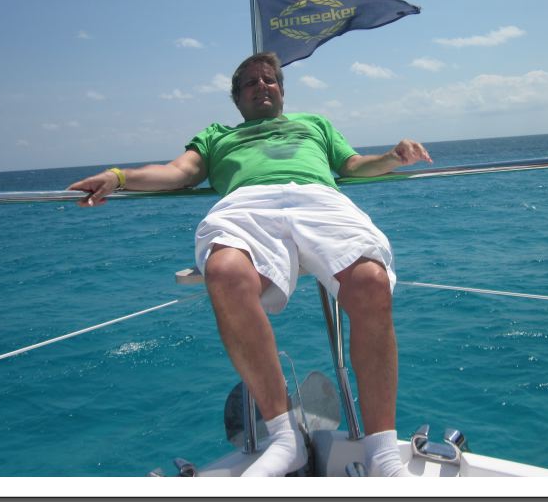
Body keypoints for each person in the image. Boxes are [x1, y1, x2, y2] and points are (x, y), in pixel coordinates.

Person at [68, 51, 431, 477]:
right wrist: (118, 177)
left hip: (319, 200)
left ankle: (383, 455)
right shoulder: (216, 136)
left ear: (282, 91)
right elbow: (178, 172)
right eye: (251, 83)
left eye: (270, 80)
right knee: (224, 273)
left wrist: (391, 158)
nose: (262, 86)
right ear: (237, 98)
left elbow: (352, 165)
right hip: (247, 205)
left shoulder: (315, 124)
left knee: (370, 281)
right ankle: (285, 439)